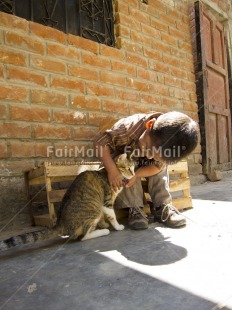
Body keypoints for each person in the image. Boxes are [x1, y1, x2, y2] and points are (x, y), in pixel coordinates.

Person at [94, 111, 199, 230]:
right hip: (126, 159)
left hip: (142, 165)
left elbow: (157, 167)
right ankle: (135, 209)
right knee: (125, 170)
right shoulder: (127, 129)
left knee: (161, 169)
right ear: (149, 125)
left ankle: (163, 206)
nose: (149, 156)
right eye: (148, 148)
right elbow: (100, 142)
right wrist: (112, 170)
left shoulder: (164, 147)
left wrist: (138, 174)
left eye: (155, 156)